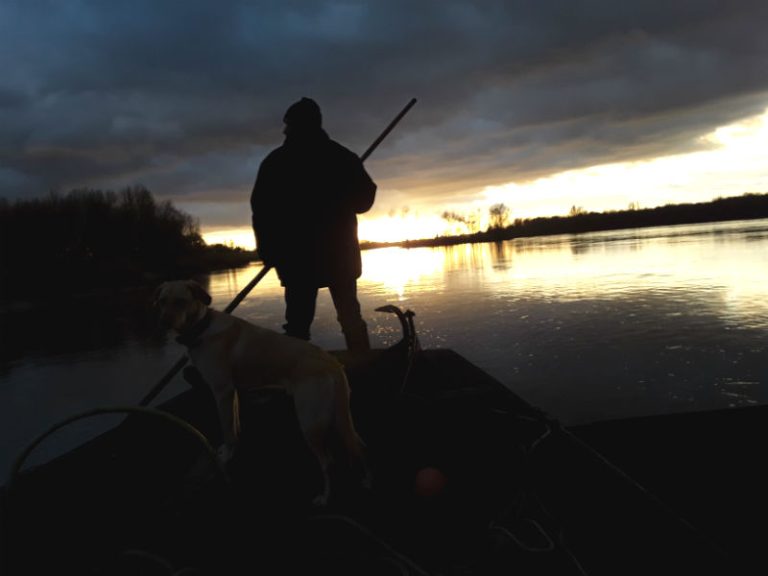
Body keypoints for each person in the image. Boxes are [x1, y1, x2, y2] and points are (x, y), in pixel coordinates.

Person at [250, 97, 377, 352]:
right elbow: (364, 202)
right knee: (348, 317)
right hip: (334, 256)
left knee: (297, 325)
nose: (285, 130)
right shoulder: (342, 157)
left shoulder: (276, 162)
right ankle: (366, 368)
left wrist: (268, 252)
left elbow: (261, 213)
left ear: (296, 125)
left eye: (288, 124)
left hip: (296, 259)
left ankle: (295, 379)